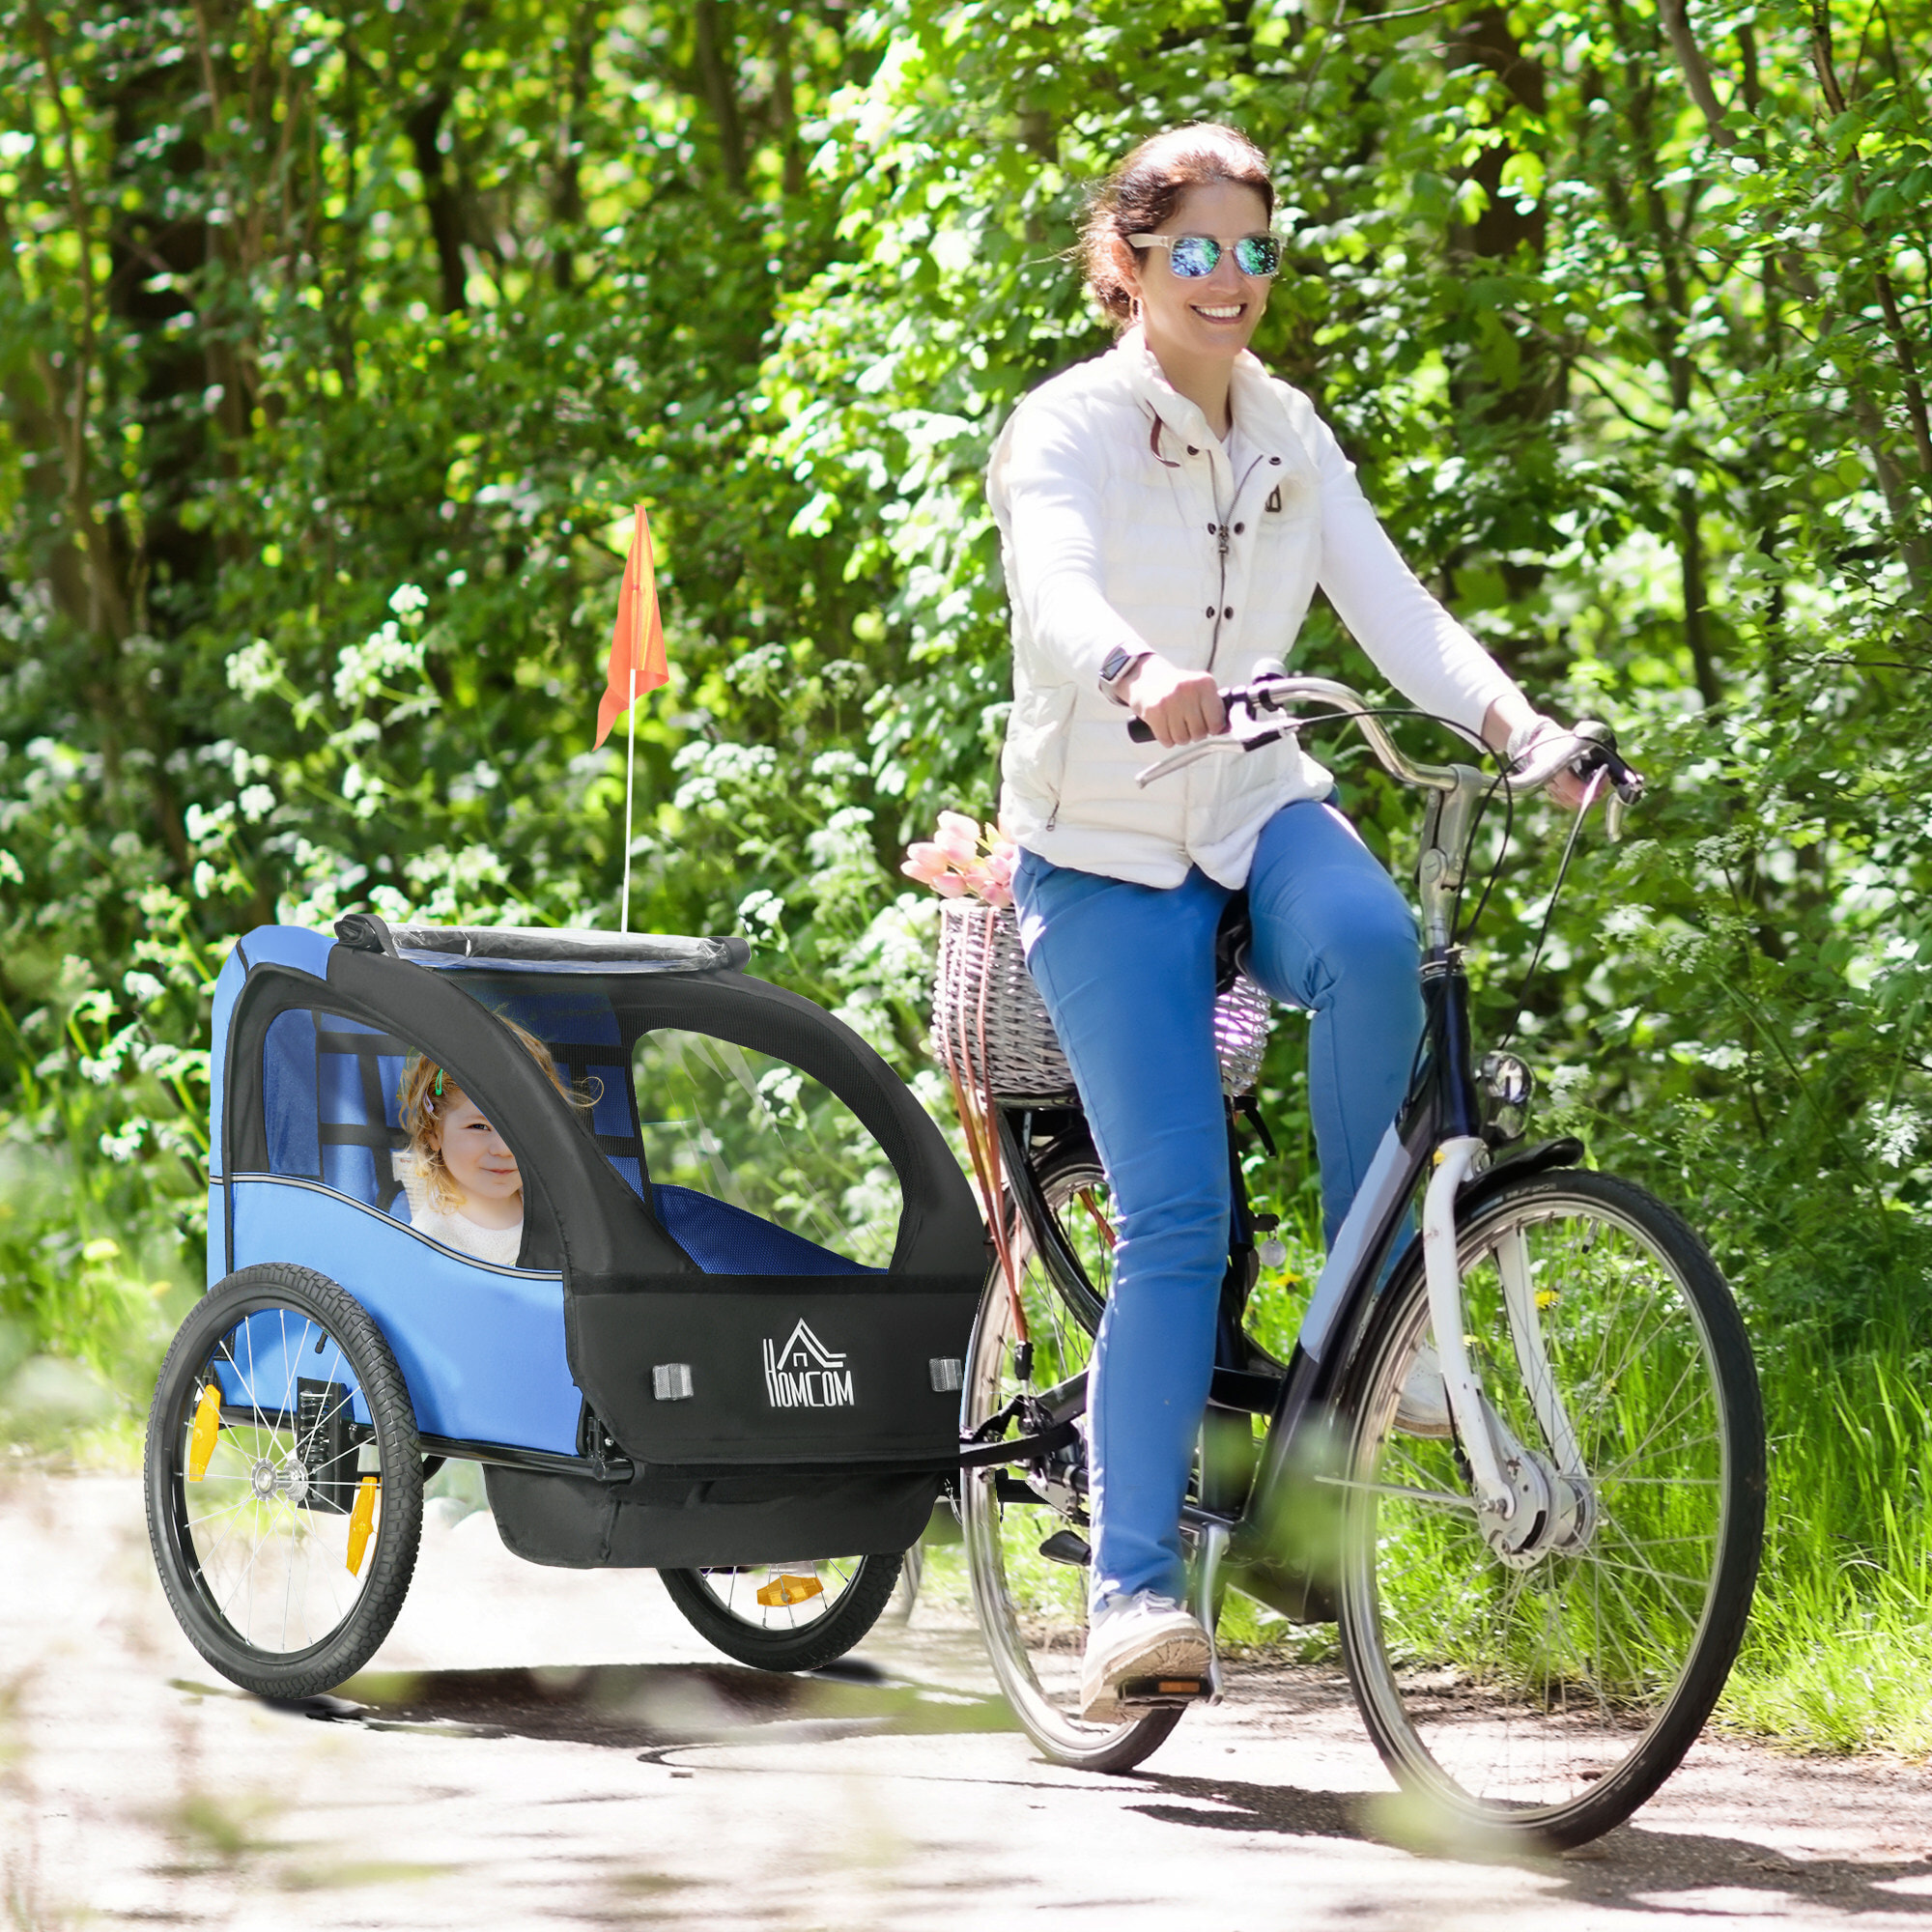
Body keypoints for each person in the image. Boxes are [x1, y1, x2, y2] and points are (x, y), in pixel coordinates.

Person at [987, 122, 1590, 1720]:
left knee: (1381, 945)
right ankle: (1131, 1594)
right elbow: (1055, 592)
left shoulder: (1289, 435)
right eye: (1199, 250)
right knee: (1177, 1215)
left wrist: (1521, 733)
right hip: (1104, 849)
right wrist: (1134, 672)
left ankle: (1367, 1325)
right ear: (1127, 265)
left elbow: (1395, 611)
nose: (1235, 280)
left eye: (1259, 249)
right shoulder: (1065, 431)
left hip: (1253, 803)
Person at [395, 1018, 587, 1266]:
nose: (505, 1149)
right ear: (434, 1133)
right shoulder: (430, 1242)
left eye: (523, 1126)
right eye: (479, 1127)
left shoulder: (555, 1210)